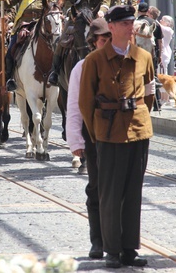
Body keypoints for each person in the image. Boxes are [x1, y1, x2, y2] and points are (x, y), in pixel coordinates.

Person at [79, 5, 154, 269]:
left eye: (131, 22)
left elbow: (149, 92)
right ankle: (111, 249)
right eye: (123, 23)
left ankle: (129, 248)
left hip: (138, 131)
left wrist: (140, 117)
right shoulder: (95, 60)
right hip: (108, 134)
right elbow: (85, 103)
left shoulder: (144, 56)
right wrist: (97, 133)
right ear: (110, 27)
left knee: (133, 193)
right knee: (110, 194)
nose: (129, 27)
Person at [67, 17, 111, 259]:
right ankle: (97, 241)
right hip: (92, 134)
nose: (106, 44)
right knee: (95, 187)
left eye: (108, 39)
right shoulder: (81, 67)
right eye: (102, 40)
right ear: (93, 42)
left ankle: (118, 241)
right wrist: (75, 140)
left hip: (116, 133)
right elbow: (74, 106)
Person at [48, 0, 111, 86]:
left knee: (111, 38)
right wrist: (72, 12)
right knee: (62, 40)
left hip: (96, 15)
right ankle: (55, 71)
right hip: (77, 15)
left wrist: (102, 10)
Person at [4, 0, 56, 91]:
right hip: (24, 25)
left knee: (57, 46)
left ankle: (56, 75)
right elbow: (8, 3)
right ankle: (10, 79)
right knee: (11, 50)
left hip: (42, 24)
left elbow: (53, 6)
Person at [137, 2, 164, 111]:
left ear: (138, 11)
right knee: (153, 76)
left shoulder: (135, 23)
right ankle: (157, 103)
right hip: (152, 54)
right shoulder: (155, 23)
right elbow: (159, 41)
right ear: (148, 11)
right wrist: (159, 55)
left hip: (137, 54)